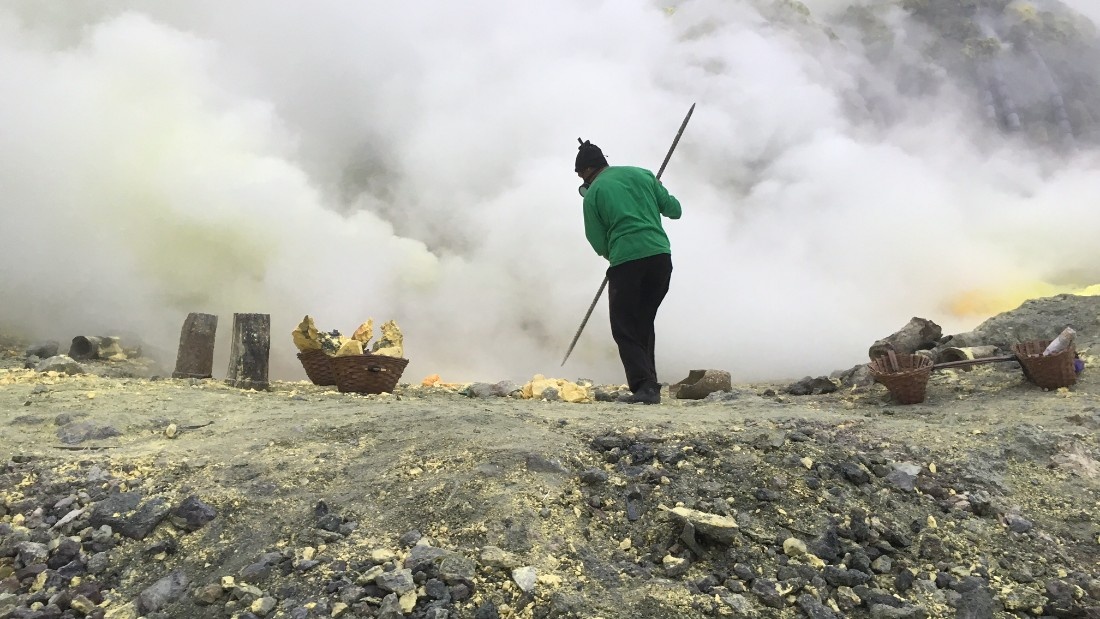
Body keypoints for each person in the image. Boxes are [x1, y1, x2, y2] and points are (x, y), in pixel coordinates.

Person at [575, 139, 681, 404]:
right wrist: (654, 189)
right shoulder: (643, 175)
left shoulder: (594, 194)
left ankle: (644, 387)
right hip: (660, 257)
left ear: (587, 171)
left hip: (626, 262)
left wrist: (617, 256)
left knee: (624, 326)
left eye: (579, 175)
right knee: (643, 321)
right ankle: (650, 385)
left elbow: (597, 240)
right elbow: (674, 210)